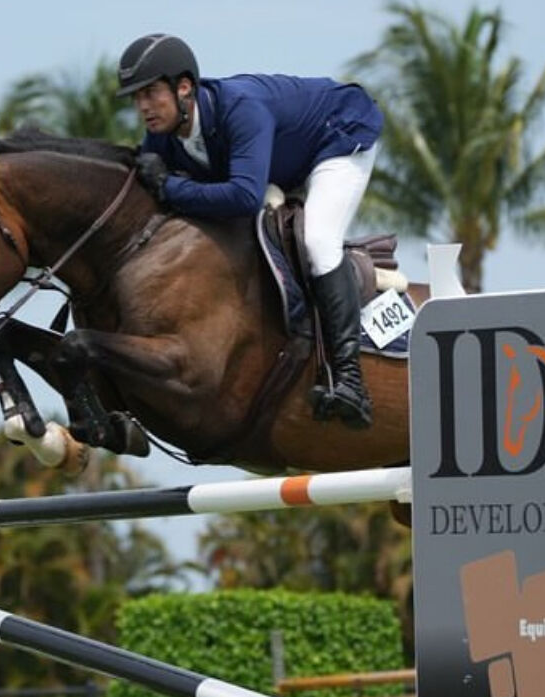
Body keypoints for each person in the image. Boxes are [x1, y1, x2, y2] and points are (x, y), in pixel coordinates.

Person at [117, 33, 384, 429]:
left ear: (184, 87)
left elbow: (243, 197)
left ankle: (350, 381)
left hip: (338, 135)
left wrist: (170, 187)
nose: (143, 107)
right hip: (281, 162)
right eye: (137, 97)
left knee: (319, 241)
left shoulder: (240, 108)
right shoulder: (162, 134)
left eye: (151, 93)